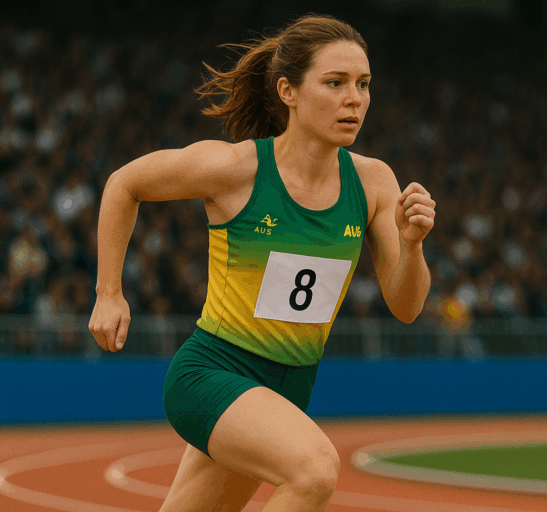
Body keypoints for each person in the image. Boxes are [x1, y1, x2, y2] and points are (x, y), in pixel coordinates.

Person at [88, 14, 435, 512]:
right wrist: (109, 292)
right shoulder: (237, 169)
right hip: (213, 373)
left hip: (289, 387)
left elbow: (406, 306)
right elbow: (125, 183)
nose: (354, 99)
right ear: (288, 91)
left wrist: (413, 244)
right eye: (334, 83)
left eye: (363, 85)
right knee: (314, 470)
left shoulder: (374, 182)